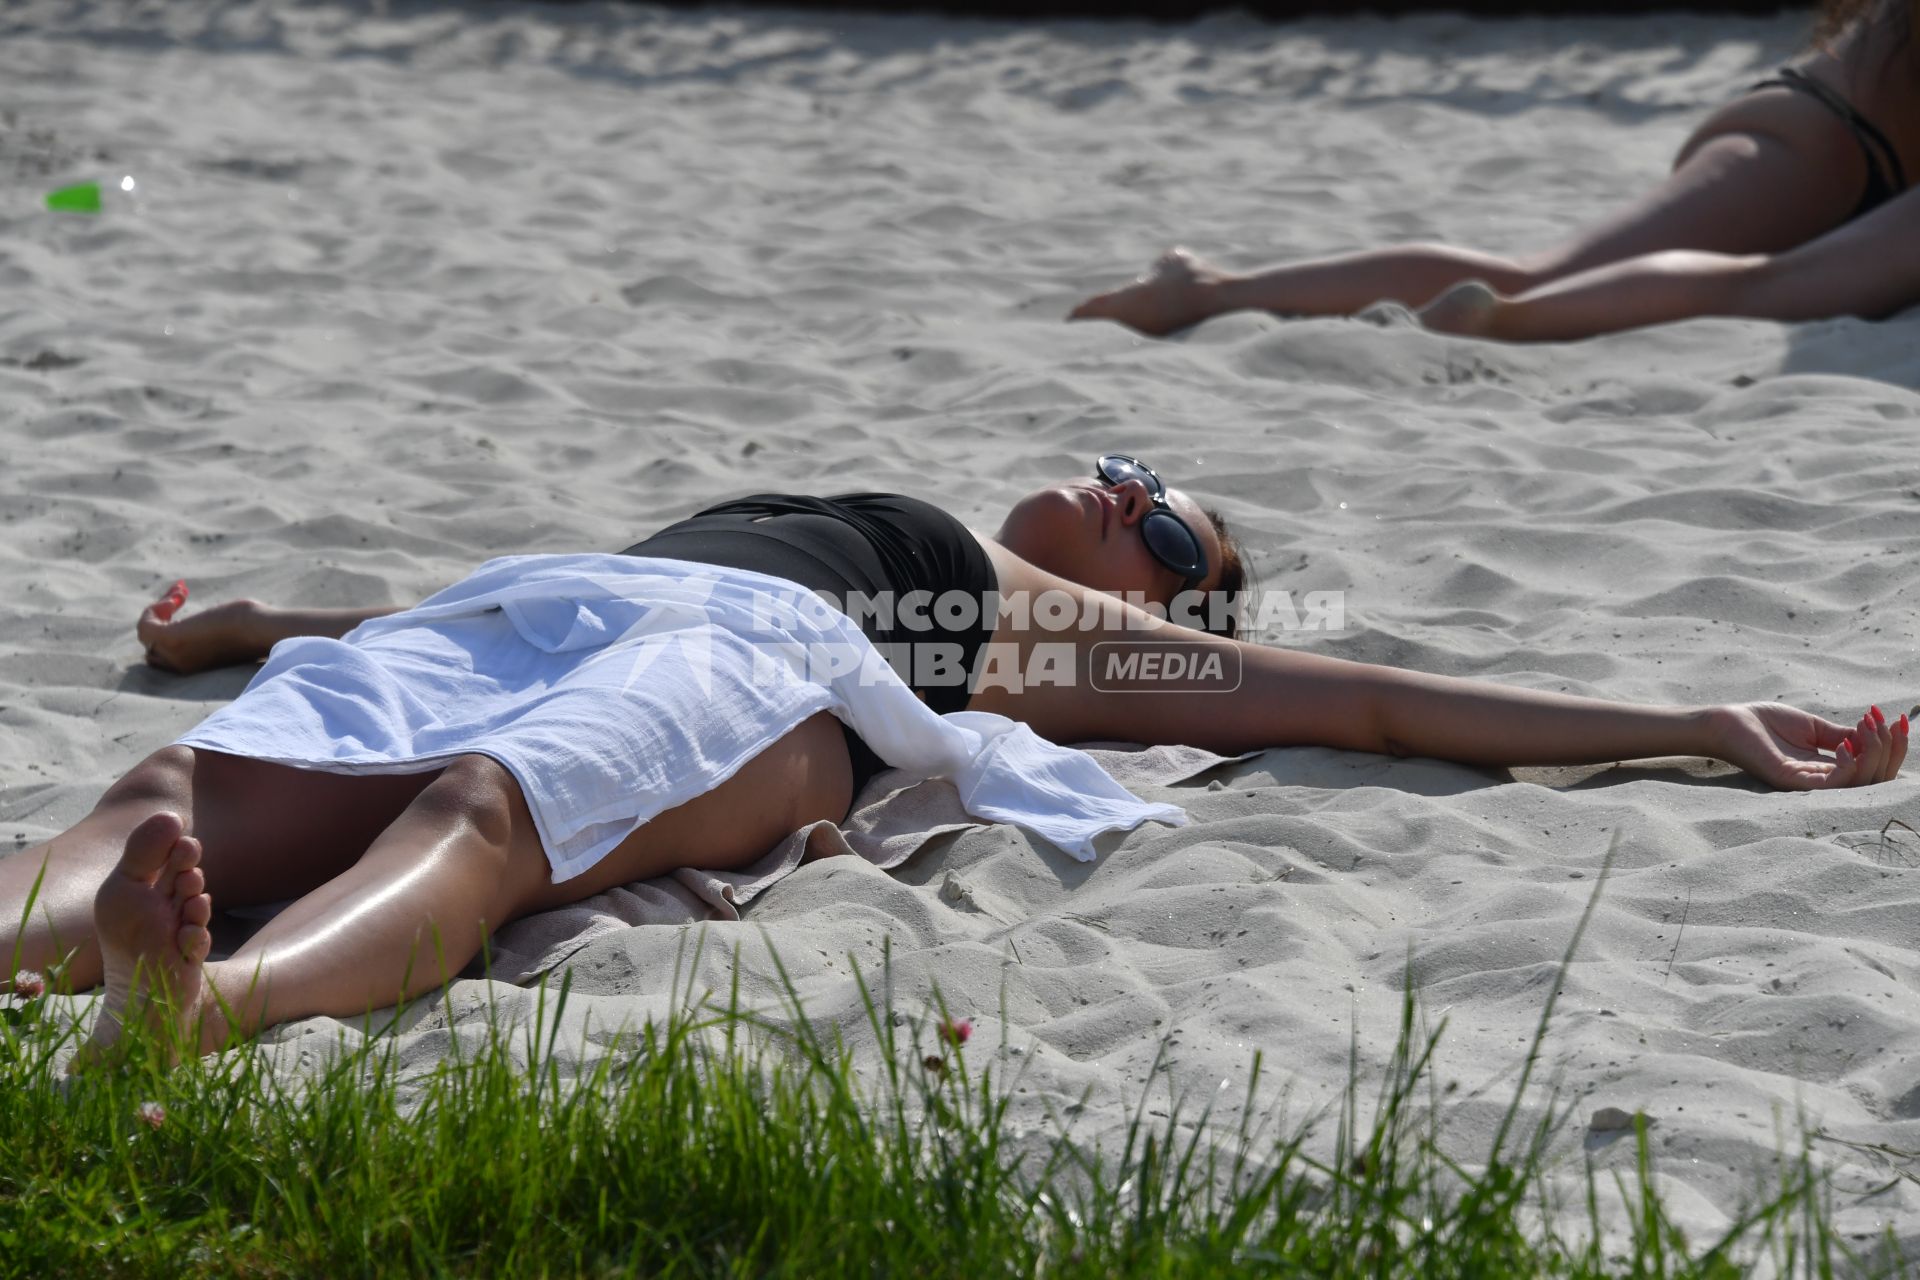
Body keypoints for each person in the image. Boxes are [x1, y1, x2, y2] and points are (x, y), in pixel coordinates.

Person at [1, 458, 1906, 1065]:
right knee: (162, 791)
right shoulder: (870, 508)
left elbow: (1376, 704)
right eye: (1139, 474)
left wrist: (1690, 726)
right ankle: (43, 945)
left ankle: (205, 1008)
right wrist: (249, 624)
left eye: (1174, 536)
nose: (1128, 501)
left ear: (1178, 617)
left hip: (760, 670)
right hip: (528, 607)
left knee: (484, 817)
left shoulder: (1038, 628)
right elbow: (568, 582)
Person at [1069, 0, 1920, 342]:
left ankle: (1215, 290)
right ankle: (1210, 290)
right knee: (1558, 278)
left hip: (1824, 125)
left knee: (1549, 273)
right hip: (1829, 134)